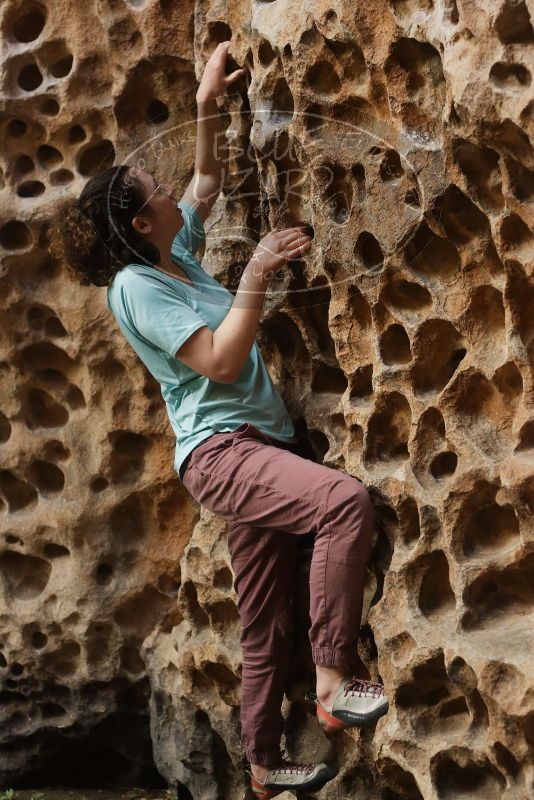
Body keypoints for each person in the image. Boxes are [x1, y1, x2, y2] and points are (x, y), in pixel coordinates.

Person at [50, 41, 388, 800]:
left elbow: (205, 177)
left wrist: (207, 103)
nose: (172, 188)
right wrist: (260, 272)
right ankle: (334, 679)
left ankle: (264, 767)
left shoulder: (176, 257)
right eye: (154, 188)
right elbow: (223, 362)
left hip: (254, 447)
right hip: (223, 454)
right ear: (140, 224)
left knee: (264, 622)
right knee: (343, 503)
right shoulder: (137, 287)